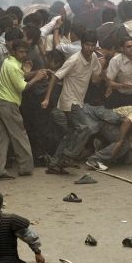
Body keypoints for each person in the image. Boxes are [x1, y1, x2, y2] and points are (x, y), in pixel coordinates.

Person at [41, 30, 102, 173]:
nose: (90, 48)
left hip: (78, 101)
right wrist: (47, 98)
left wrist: (108, 80)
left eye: (93, 45)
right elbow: (55, 77)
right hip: (69, 101)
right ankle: (69, 156)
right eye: (87, 45)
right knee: (86, 127)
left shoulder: (93, 57)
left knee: (71, 133)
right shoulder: (74, 59)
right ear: (82, 45)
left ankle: (55, 163)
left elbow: (95, 78)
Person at [0, 38, 48, 179]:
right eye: (21, 52)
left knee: (1, 138)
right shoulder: (13, 66)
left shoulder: (9, 62)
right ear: (14, 51)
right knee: (20, 136)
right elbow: (22, 87)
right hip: (8, 104)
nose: (23, 55)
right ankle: (26, 167)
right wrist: (37, 77)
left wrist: (30, 72)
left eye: (25, 52)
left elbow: (20, 76)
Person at [104, 36, 132, 108]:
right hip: (120, 97)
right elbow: (108, 82)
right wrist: (122, 85)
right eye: (128, 47)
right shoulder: (116, 61)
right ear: (122, 49)